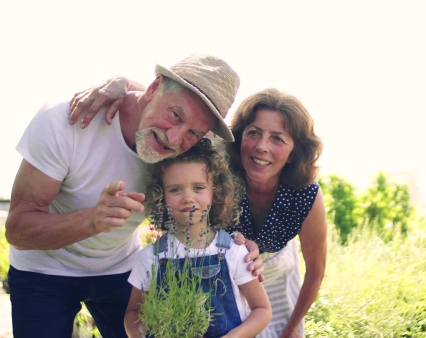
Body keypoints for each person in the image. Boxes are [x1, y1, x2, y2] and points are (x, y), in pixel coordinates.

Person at [5, 53, 263, 338]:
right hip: (43, 271)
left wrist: (241, 243)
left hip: (122, 270)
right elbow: (18, 230)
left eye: (192, 132)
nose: (174, 140)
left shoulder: (189, 149)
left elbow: (214, 198)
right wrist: (92, 220)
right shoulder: (64, 119)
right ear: (153, 89)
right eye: (175, 115)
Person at [71, 82, 328, 338]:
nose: (261, 146)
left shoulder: (304, 195)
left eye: (277, 139)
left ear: (295, 152)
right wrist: (120, 83)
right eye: (253, 133)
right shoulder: (216, 170)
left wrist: (292, 327)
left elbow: (315, 271)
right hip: (222, 267)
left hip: (275, 269)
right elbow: (167, 96)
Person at [125, 138, 271, 338]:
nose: (188, 197)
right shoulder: (151, 257)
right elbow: (134, 313)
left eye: (198, 187)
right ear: (162, 196)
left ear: (215, 192)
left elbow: (262, 309)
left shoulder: (234, 252)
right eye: (175, 189)